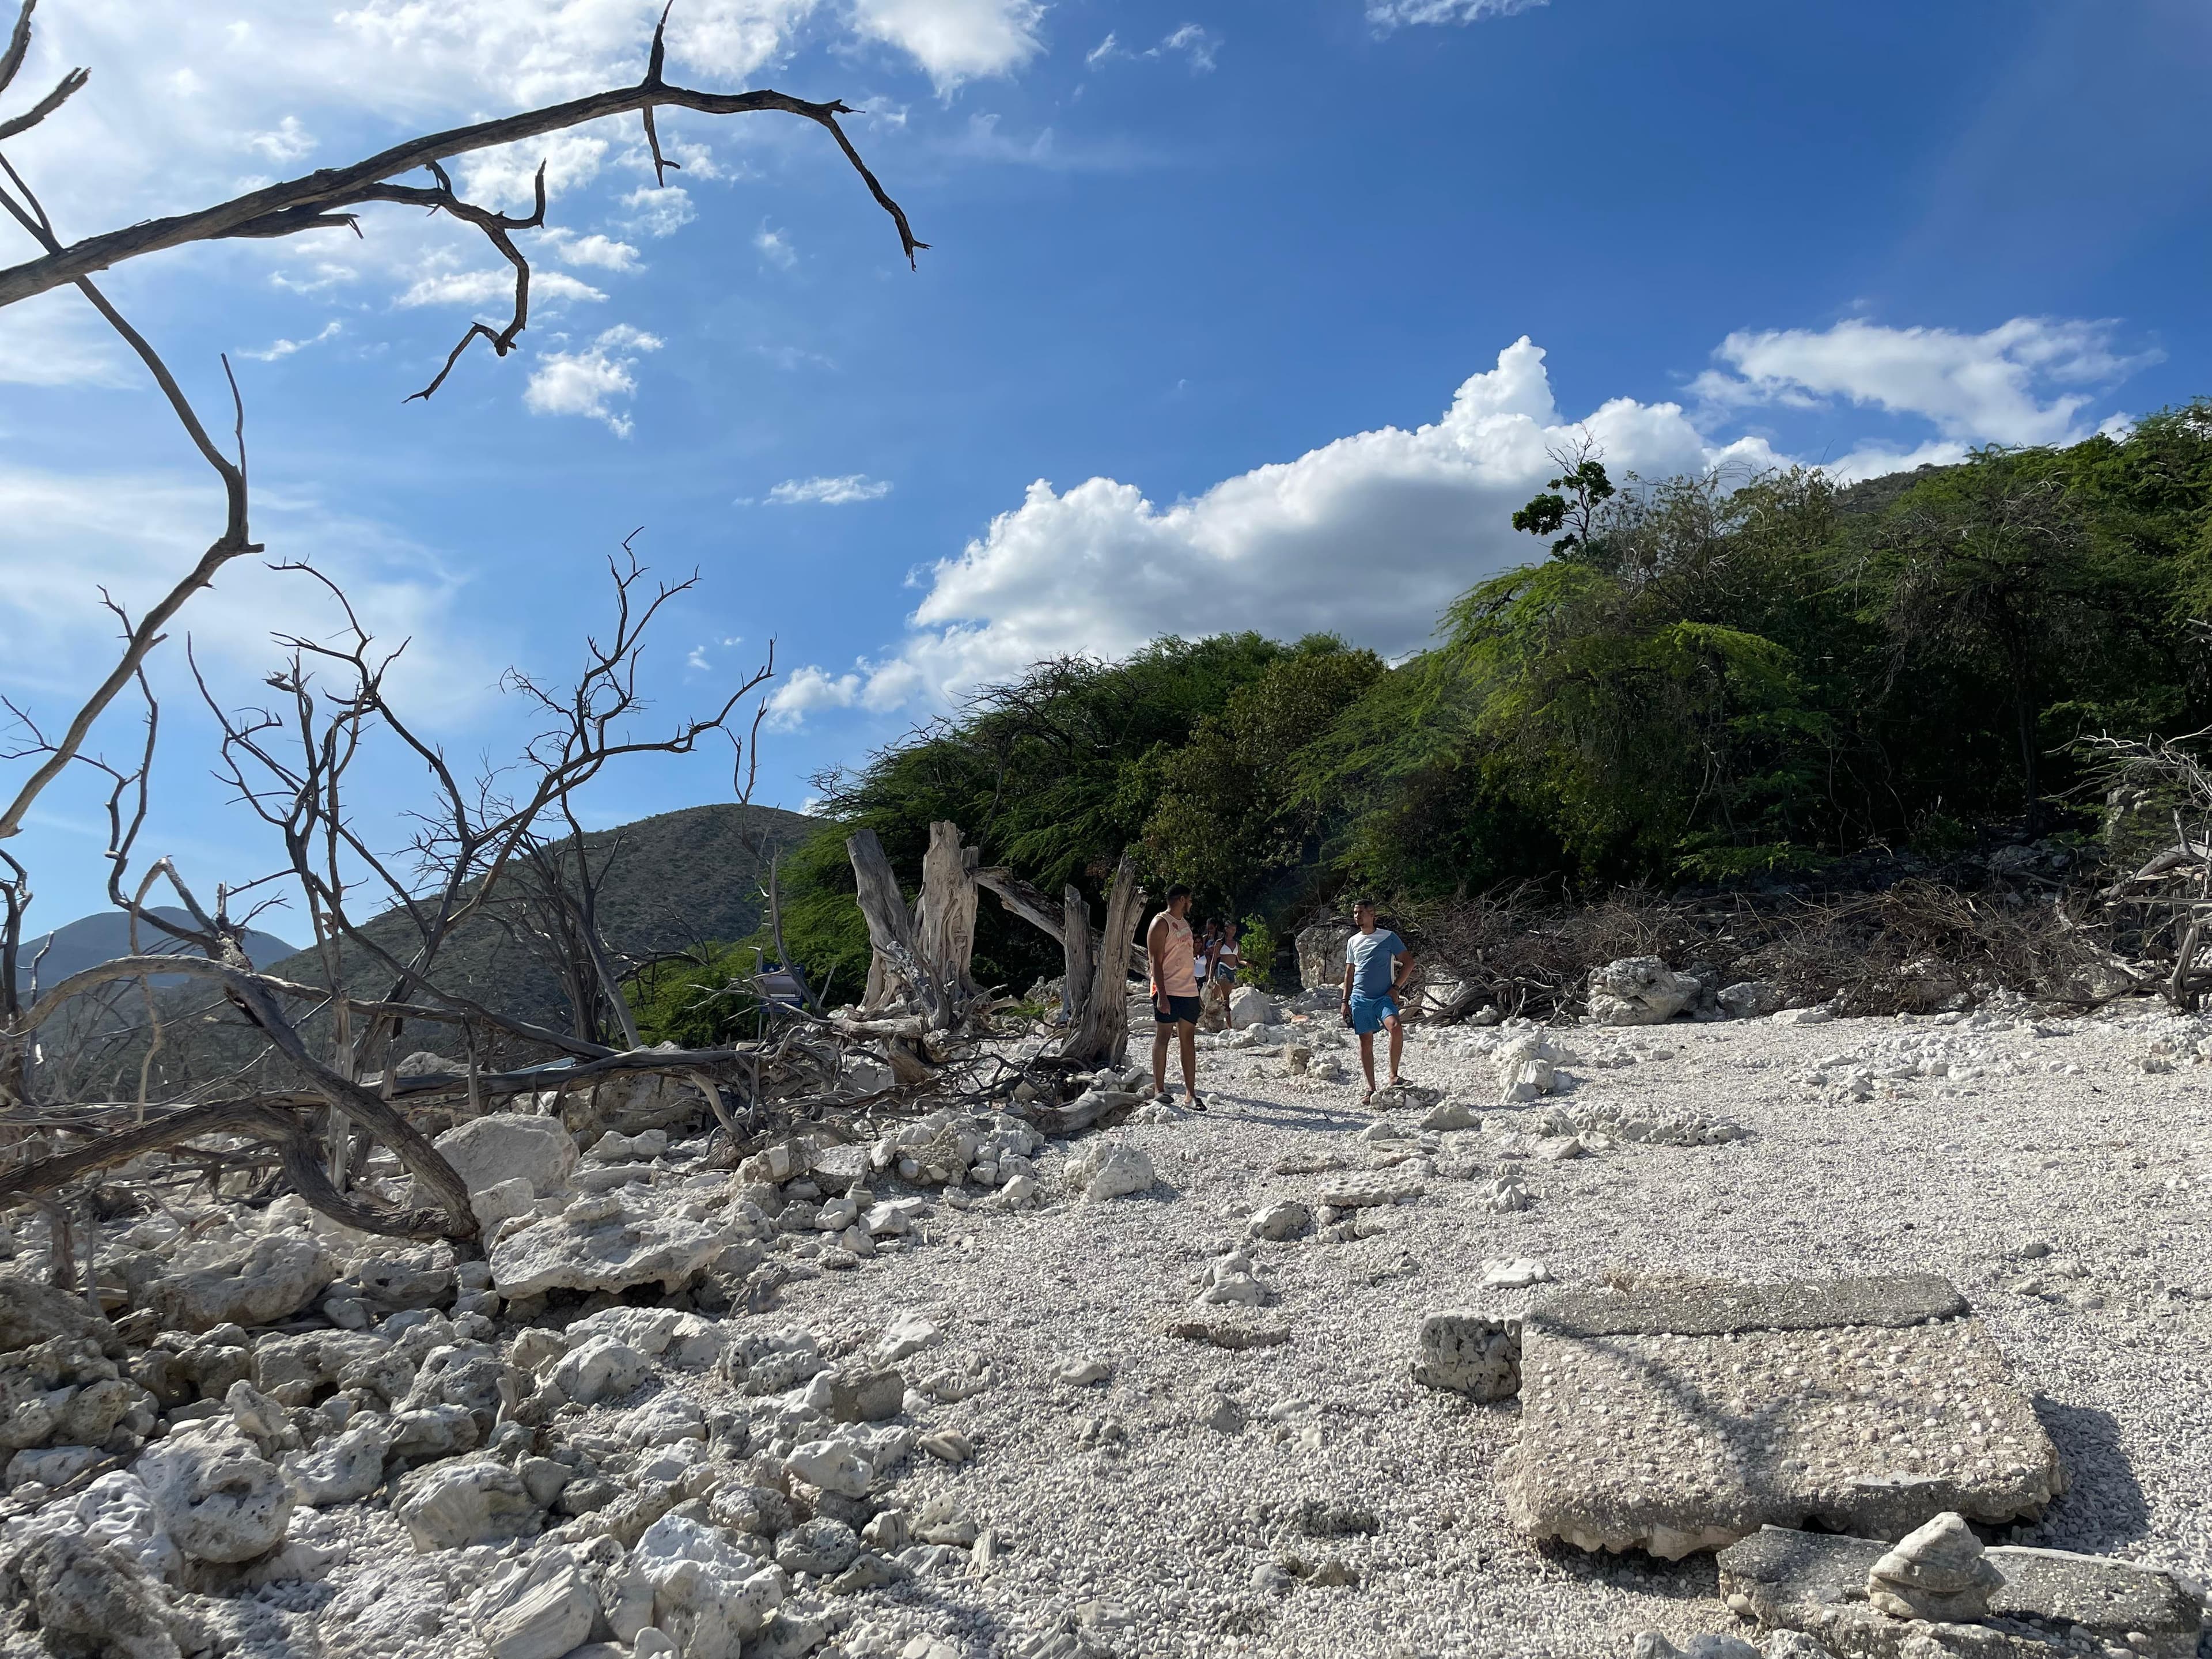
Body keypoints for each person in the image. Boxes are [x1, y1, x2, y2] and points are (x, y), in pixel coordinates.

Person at [1339, 897, 1412, 1103]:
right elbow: (1349, 972)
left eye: (1361, 912)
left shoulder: (1388, 937)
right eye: (1355, 913)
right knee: (1366, 1040)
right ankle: (1371, 1089)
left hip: (1384, 997)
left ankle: (1393, 1075)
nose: (1357, 916)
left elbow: (1408, 963)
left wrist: (1396, 987)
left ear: (1373, 914)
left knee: (1396, 1027)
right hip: (1360, 999)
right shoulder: (1353, 941)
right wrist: (1345, 1001)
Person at [1147, 884, 1205, 1110]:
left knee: (1188, 1040)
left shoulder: (1185, 924)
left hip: (1188, 989)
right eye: (1189, 899)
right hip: (1167, 989)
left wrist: (1196, 991)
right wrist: (1162, 996)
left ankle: (1191, 1094)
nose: (1191, 903)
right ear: (1182, 899)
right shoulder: (1160, 923)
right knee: (1163, 1037)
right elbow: (1155, 963)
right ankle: (1159, 1090)